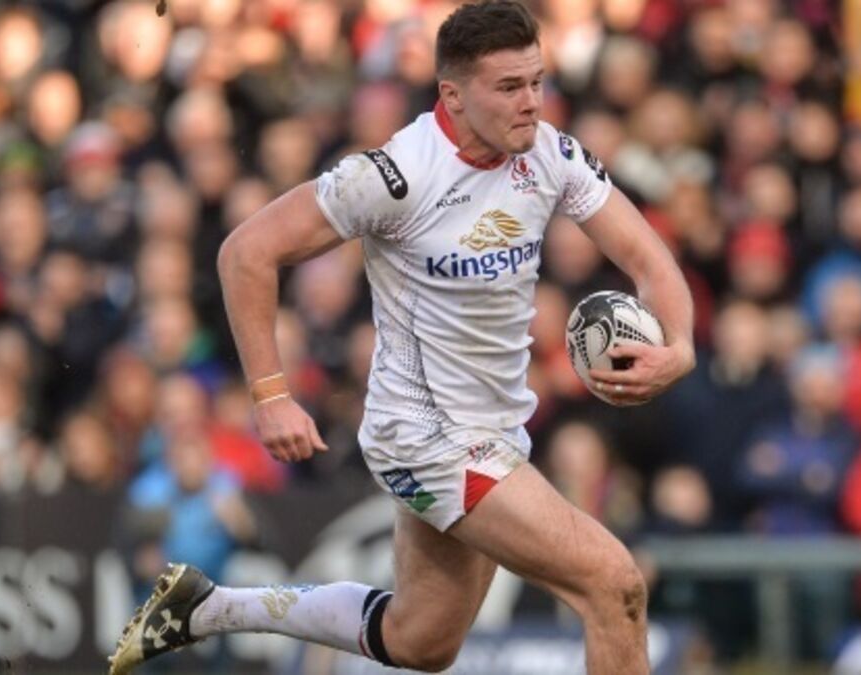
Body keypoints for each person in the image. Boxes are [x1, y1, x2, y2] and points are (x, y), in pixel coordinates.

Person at [107, 1, 695, 673]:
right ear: (453, 94)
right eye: (509, 87)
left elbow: (648, 259)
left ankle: (206, 608)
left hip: (495, 428)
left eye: (536, 81)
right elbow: (246, 252)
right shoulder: (396, 175)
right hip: (425, 436)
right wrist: (271, 396)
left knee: (422, 641)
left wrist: (679, 347)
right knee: (614, 584)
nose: (531, 101)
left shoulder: (550, 154)